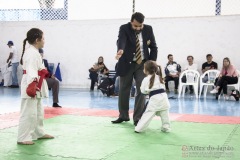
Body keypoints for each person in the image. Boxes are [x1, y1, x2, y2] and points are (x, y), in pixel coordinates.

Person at [112, 12, 158, 126]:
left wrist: (151, 62)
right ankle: (123, 115)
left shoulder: (148, 29)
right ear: (131, 21)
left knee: (141, 90)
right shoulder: (124, 28)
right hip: (126, 62)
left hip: (142, 64)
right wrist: (120, 49)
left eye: (140, 26)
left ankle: (138, 118)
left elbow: (153, 47)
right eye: (135, 26)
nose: (138, 28)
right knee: (124, 89)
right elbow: (121, 40)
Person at [17, 28, 54, 145]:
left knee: (38, 111)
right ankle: (23, 137)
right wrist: (32, 84)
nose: (44, 41)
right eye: (43, 38)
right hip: (31, 82)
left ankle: (38, 133)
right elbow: (31, 69)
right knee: (28, 112)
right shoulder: (31, 53)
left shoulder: (34, 51)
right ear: (37, 40)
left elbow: (38, 68)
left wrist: (44, 71)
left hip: (36, 82)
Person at [135, 60, 170, 133]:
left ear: (146, 70)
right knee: (165, 115)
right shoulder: (160, 77)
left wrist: (148, 91)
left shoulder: (146, 79)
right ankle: (166, 128)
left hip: (154, 100)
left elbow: (143, 91)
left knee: (147, 115)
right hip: (164, 98)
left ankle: (139, 128)